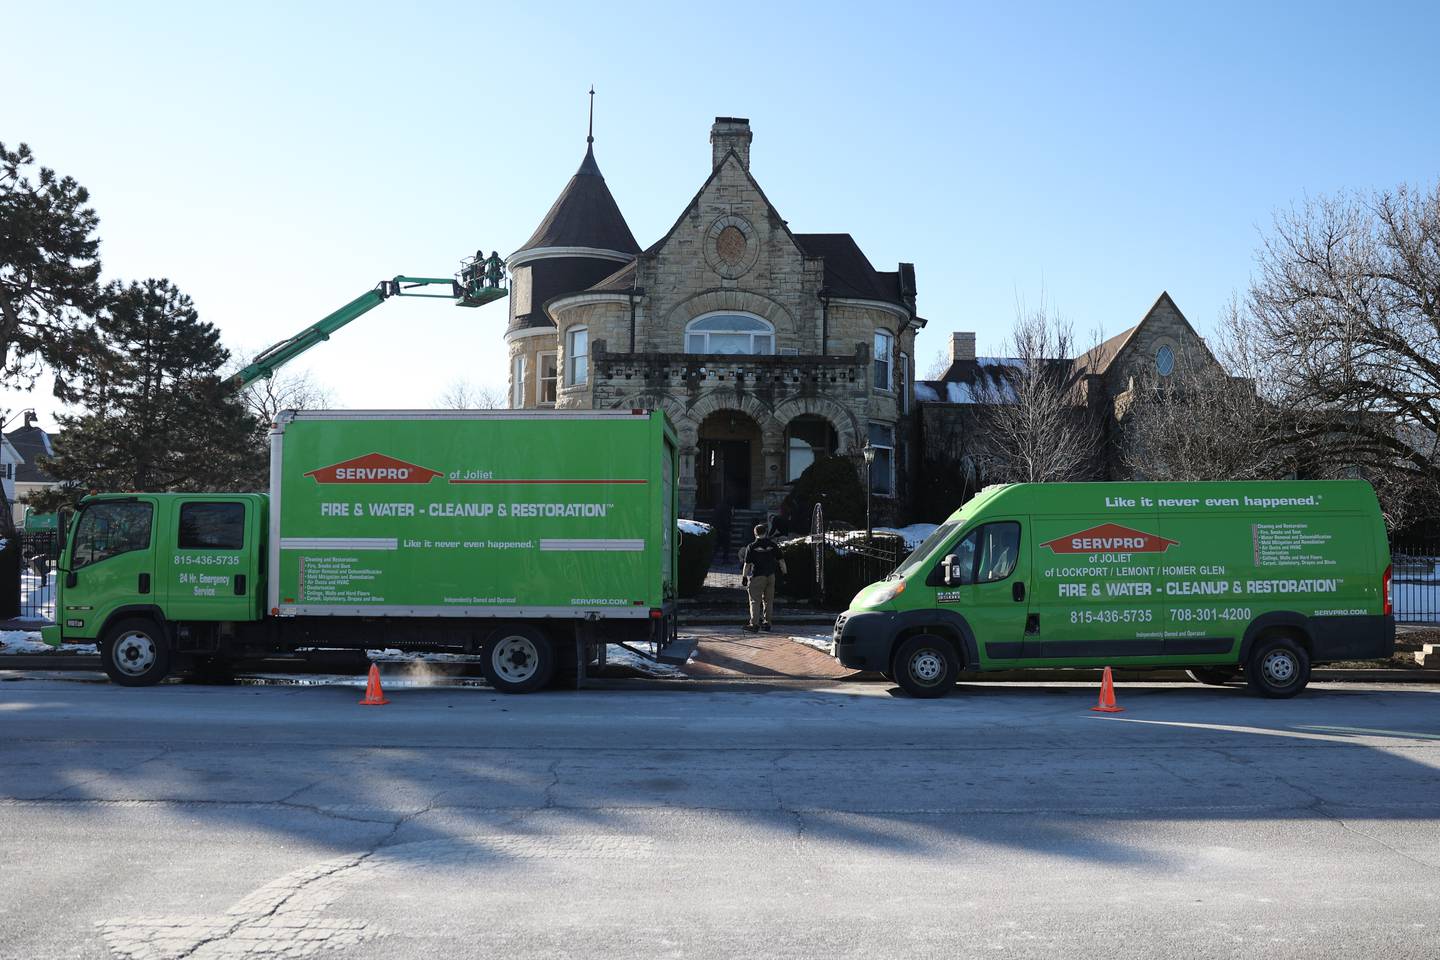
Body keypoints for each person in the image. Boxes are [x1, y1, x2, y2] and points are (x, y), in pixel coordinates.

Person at [739, 523, 787, 632]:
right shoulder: (772, 545)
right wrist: (785, 574)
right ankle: (767, 623)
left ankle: (754, 624)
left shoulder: (751, 546)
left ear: (755, 533)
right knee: (768, 601)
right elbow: (781, 560)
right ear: (765, 532)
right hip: (771, 576)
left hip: (758, 576)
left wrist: (744, 576)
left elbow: (747, 564)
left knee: (755, 601)